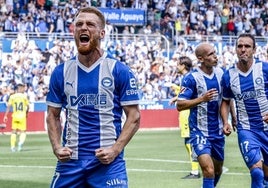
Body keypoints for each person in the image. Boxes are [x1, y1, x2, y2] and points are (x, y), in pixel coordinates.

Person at [46, 7, 140, 188]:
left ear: (102, 33)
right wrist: (57, 146)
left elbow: (134, 117)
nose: (83, 28)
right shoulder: (61, 72)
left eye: (90, 24)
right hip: (70, 161)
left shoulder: (119, 71)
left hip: (108, 163)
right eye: (79, 24)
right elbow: (52, 114)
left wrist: (115, 150)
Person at [176, 43, 233, 188]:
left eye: (215, 53)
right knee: (208, 170)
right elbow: (180, 105)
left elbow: (226, 99)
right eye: (210, 54)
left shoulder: (222, 74)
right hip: (199, 131)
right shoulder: (191, 78)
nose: (215, 56)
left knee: (218, 169)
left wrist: (228, 121)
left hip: (218, 131)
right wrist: (201, 99)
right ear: (201, 58)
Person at [221, 33, 268, 188]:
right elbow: (226, 101)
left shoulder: (265, 69)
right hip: (247, 129)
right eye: (240, 46)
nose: (243, 49)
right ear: (235, 49)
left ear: (254, 49)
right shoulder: (228, 75)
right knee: (256, 172)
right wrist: (225, 121)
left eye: (247, 46)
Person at [169, 56, 200, 179]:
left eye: (178, 64)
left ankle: (195, 171)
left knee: (190, 142)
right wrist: (176, 94)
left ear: (183, 66)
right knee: (188, 142)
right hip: (186, 112)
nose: (176, 66)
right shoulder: (188, 77)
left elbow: (188, 94)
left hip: (187, 113)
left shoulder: (188, 78)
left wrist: (176, 92)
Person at [3, 83, 29, 152]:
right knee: (23, 132)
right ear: (19, 89)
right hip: (22, 116)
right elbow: (28, 106)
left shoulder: (12, 96)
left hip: (15, 116)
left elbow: (8, 106)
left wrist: (5, 116)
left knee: (13, 132)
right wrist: (26, 113)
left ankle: (12, 147)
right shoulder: (24, 96)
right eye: (23, 88)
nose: (24, 89)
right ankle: (20, 144)